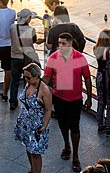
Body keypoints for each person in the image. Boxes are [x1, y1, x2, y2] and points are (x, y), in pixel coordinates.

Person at [43, 32, 92, 173]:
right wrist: (36, 90)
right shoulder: (53, 58)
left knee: (75, 128)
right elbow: (46, 78)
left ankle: (76, 156)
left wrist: (88, 97)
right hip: (58, 98)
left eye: (64, 43)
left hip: (76, 99)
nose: (60, 46)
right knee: (63, 124)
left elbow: (87, 78)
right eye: (59, 43)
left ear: (71, 44)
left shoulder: (80, 58)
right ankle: (66, 145)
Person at [14, 63, 52, 173]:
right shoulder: (29, 84)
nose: (26, 79)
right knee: (28, 147)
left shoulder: (44, 90)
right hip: (26, 122)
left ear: (36, 77)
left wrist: (44, 126)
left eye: (28, 77)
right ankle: (32, 169)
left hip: (37, 126)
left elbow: (48, 110)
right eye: (24, 77)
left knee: (35, 153)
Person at [10, 8, 41, 111]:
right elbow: (34, 41)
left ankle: (13, 102)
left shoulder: (13, 28)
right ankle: (26, 100)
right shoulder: (31, 30)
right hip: (27, 59)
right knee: (27, 81)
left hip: (15, 57)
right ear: (28, 19)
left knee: (14, 80)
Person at [93, 29, 110, 134]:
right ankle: (108, 126)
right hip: (107, 77)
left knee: (101, 101)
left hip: (99, 75)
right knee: (109, 102)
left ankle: (100, 124)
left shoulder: (96, 48)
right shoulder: (108, 51)